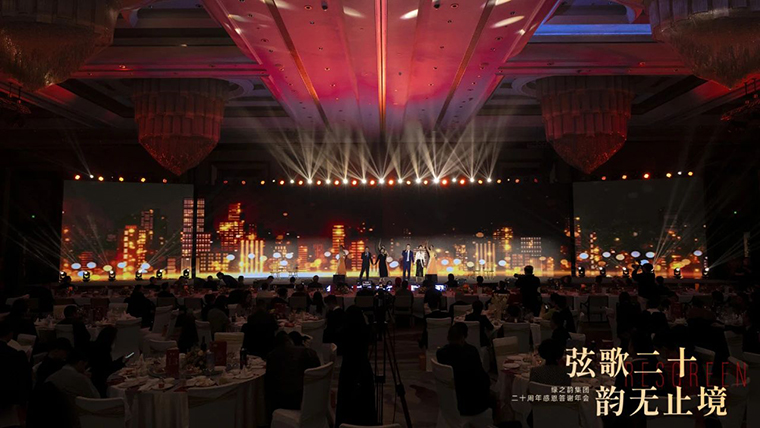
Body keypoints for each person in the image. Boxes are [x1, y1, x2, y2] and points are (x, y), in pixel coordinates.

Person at [435, 323, 491, 417]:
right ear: (463, 337)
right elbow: (482, 378)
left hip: (449, 400)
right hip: (470, 404)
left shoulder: (440, 353)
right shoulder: (470, 352)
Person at [335, 305, 376, 427]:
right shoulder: (366, 332)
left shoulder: (343, 333)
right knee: (365, 399)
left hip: (347, 368)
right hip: (364, 368)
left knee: (346, 398)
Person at [265, 332, 321, 416]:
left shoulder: (272, 356)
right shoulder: (308, 352)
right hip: (312, 398)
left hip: (285, 401)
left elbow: (269, 385)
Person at [0, 320, 32, 427]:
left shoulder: (15, 354)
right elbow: (24, 382)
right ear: (10, 334)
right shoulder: (15, 355)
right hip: (8, 400)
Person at [88, 326, 125, 397]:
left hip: (95, 381)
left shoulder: (94, 347)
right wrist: (121, 363)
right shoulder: (104, 352)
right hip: (101, 385)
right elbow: (107, 369)